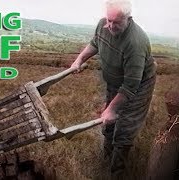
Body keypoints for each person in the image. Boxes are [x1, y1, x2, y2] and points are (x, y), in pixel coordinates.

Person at [70, 0, 157, 177]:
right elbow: (95, 43)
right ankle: (106, 158)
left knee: (125, 126)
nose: (109, 26)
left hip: (138, 86)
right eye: (108, 20)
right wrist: (78, 61)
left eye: (115, 22)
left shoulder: (135, 42)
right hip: (115, 81)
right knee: (107, 121)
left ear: (128, 18)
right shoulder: (103, 24)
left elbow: (130, 85)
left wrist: (111, 109)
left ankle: (117, 172)